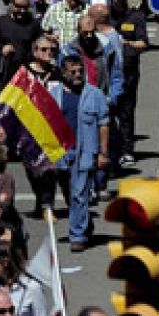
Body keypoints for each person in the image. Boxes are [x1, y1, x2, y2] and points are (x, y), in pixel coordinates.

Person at [54, 52, 111, 252]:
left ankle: (76, 235)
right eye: (73, 72)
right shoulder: (54, 95)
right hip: (61, 153)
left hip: (84, 152)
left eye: (80, 71)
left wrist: (103, 153)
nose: (78, 75)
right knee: (70, 194)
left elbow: (103, 124)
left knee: (80, 194)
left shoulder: (94, 94)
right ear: (63, 72)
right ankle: (84, 223)